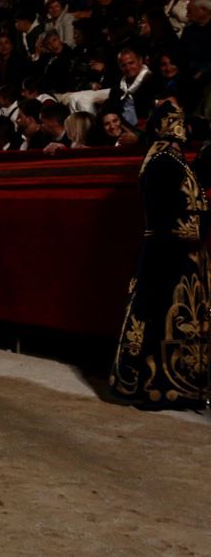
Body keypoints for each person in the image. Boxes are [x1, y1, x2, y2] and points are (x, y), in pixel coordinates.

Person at [110, 106, 211, 410]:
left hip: (174, 251)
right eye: (177, 121)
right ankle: (159, 384)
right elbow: (170, 211)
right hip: (170, 252)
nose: (183, 126)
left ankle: (175, 384)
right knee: (162, 315)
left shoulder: (169, 159)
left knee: (170, 315)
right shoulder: (163, 161)